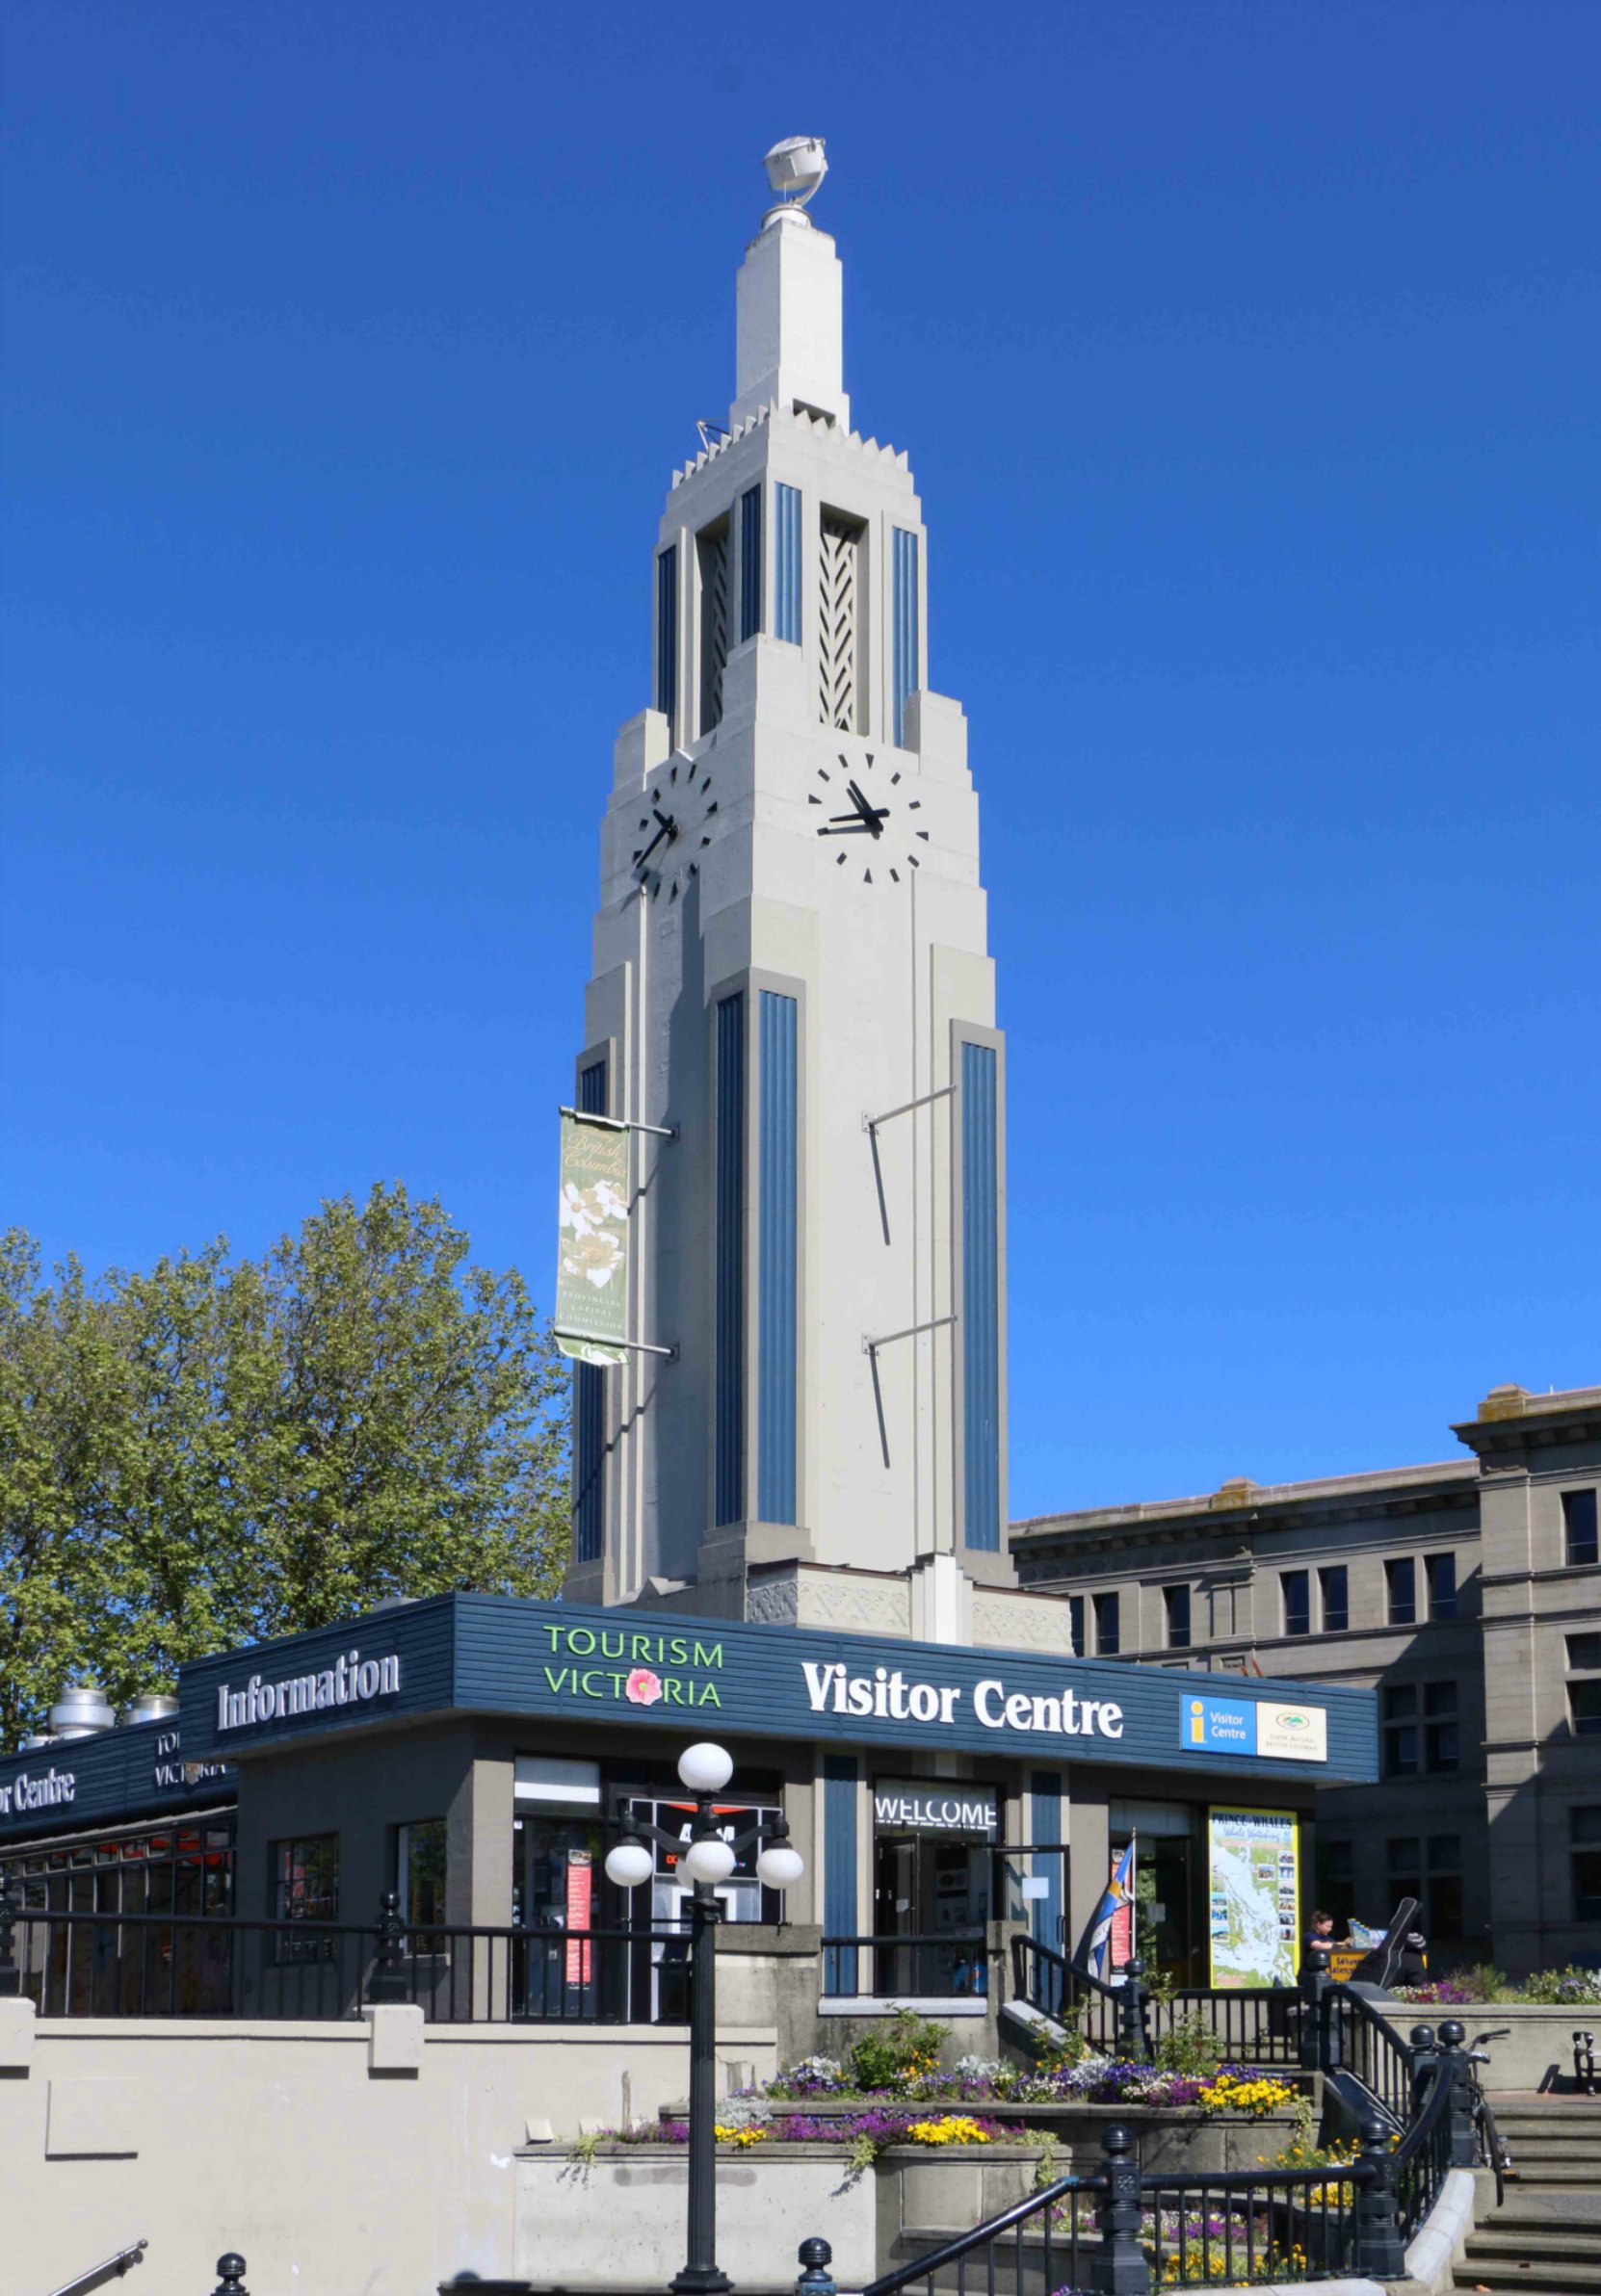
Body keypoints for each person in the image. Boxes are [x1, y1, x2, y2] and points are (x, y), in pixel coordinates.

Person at [1302, 1909, 1341, 1975]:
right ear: (1318, 1925)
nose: (1330, 1929)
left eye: (1331, 1927)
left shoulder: (1329, 1939)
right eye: (1328, 1926)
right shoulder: (1309, 1936)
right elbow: (1318, 1946)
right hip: (1308, 1974)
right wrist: (1340, 1944)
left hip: (1326, 1974)